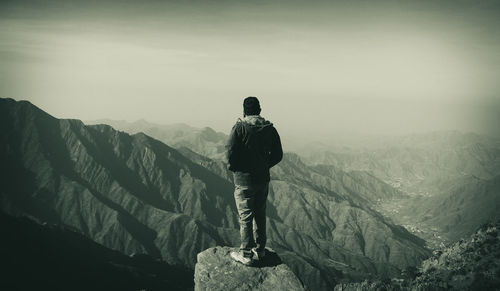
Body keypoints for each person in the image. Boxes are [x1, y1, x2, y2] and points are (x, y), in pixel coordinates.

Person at [226, 96, 283, 265]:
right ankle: (260, 251)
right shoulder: (270, 129)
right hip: (262, 179)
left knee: (245, 217)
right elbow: (278, 155)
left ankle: (246, 254)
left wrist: (234, 167)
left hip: (243, 180)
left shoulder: (239, 128)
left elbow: (229, 151)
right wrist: (265, 165)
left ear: (244, 111)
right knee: (260, 215)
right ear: (259, 110)